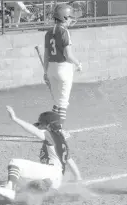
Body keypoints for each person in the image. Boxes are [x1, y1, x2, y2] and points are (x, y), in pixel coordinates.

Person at [0, 106, 82, 201]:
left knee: (15, 163)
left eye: (41, 124)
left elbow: (33, 130)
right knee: (21, 180)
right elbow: (70, 161)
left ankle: (10, 189)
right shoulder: (59, 139)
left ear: (48, 126)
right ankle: (31, 194)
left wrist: (15, 118)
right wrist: (78, 178)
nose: (39, 126)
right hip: (54, 179)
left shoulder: (50, 135)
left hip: (51, 173)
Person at [43, 3, 82, 137]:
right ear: (64, 17)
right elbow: (68, 55)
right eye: (70, 17)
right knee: (63, 103)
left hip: (51, 69)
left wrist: (45, 72)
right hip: (63, 68)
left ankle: (51, 125)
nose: (71, 19)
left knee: (57, 102)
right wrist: (78, 64)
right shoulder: (64, 31)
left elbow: (46, 55)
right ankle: (58, 131)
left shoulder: (48, 32)